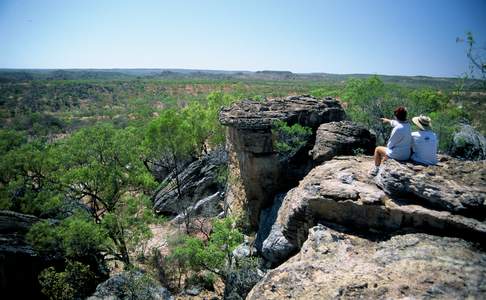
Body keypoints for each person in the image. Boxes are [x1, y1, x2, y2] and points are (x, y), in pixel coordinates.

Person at [370, 106, 412, 176]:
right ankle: (384, 162)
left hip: (398, 155)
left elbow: (390, 145)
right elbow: (396, 123)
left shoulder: (397, 129)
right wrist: (388, 120)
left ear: (396, 116)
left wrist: (387, 154)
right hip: (406, 154)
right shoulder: (408, 125)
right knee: (388, 153)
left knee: (377, 149)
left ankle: (376, 169)